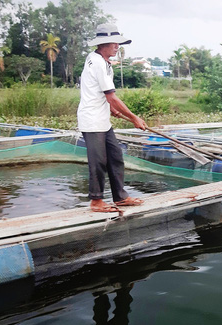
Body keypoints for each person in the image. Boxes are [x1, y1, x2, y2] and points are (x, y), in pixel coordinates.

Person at [78, 23, 148, 213]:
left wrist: (110, 109)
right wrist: (134, 118)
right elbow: (112, 97)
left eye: (118, 43)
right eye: (114, 43)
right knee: (98, 161)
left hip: (102, 119)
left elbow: (96, 92)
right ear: (102, 44)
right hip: (92, 120)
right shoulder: (99, 63)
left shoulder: (100, 60)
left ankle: (120, 197)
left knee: (115, 157)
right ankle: (96, 201)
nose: (117, 47)